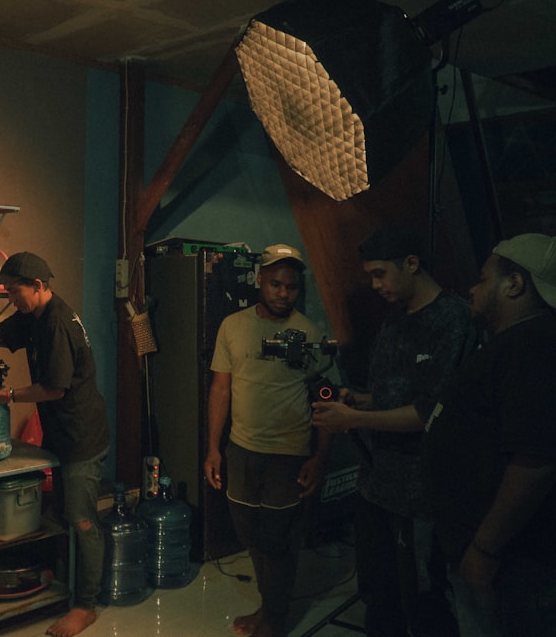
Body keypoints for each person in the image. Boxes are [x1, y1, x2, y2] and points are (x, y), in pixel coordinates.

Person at [311, 224, 476, 637]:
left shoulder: (453, 320)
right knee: (378, 592)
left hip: (420, 494)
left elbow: (429, 412)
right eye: (370, 275)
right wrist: (357, 400)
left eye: (380, 273)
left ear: (412, 264)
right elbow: (392, 396)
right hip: (376, 486)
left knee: (423, 600)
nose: (374, 284)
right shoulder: (394, 322)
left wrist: (354, 420)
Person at [0, 251, 109, 637]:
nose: (12, 298)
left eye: (15, 291)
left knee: (82, 521)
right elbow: (2, 334)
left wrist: (2, 396)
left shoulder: (57, 324)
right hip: (61, 436)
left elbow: (54, 389)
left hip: (81, 436)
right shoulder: (33, 314)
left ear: (38, 286)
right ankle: (71, 584)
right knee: (63, 515)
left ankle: (86, 606)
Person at [424, 232, 556, 636]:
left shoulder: (534, 345)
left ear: (514, 283)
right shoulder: (513, 344)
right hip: (491, 554)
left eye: (483, 278)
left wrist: (484, 548)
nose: (472, 287)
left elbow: (535, 459)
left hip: (512, 561)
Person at [203, 244, 331, 637]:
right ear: (260, 280)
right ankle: (267, 607)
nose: (282, 293)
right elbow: (220, 390)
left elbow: (325, 401)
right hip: (241, 449)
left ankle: (276, 618)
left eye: (290, 287)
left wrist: (319, 458)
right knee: (250, 534)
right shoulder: (233, 326)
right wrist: (213, 448)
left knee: (278, 541)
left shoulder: (309, 334)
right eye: (275, 283)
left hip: (288, 453)